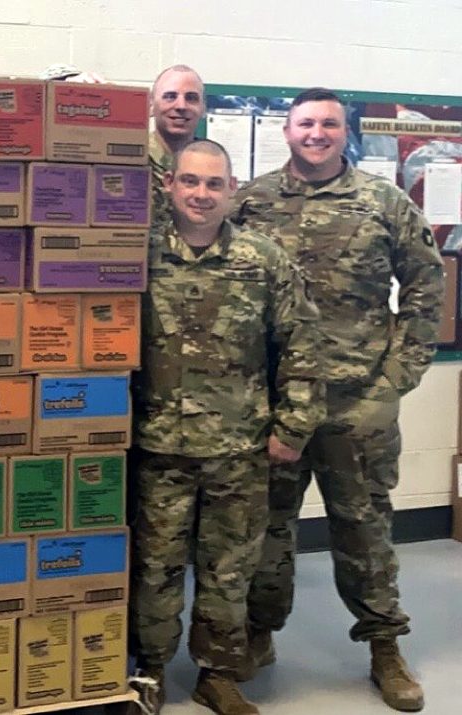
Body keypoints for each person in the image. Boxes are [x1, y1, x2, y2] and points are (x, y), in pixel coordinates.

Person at [233, 87, 443, 713]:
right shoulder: (252, 201)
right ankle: (260, 631)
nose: (317, 132)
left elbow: (428, 286)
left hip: (358, 404)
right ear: (288, 130)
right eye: (306, 122)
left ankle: (383, 645)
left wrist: (396, 379)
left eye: (329, 123)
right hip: (277, 404)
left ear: (345, 131)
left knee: (365, 527)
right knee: (267, 527)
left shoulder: (384, 202)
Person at [132, 140, 324, 715]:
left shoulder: (263, 261)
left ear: (232, 191)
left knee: (229, 569)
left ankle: (217, 672)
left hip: (239, 448)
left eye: (214, 184)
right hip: (158, 445)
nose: (200, 194)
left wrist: (292, 427)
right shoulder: (139, 256)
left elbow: (301, 345)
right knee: (155, 566)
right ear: (170, 186)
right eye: (190, 181)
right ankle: (151, 671)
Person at [149, 65, 206, 228]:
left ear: (203, 109)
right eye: (170, 96)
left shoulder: (212, 165)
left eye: (191, 98)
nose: (181, 106)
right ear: (151, 105)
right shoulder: (129, 159)